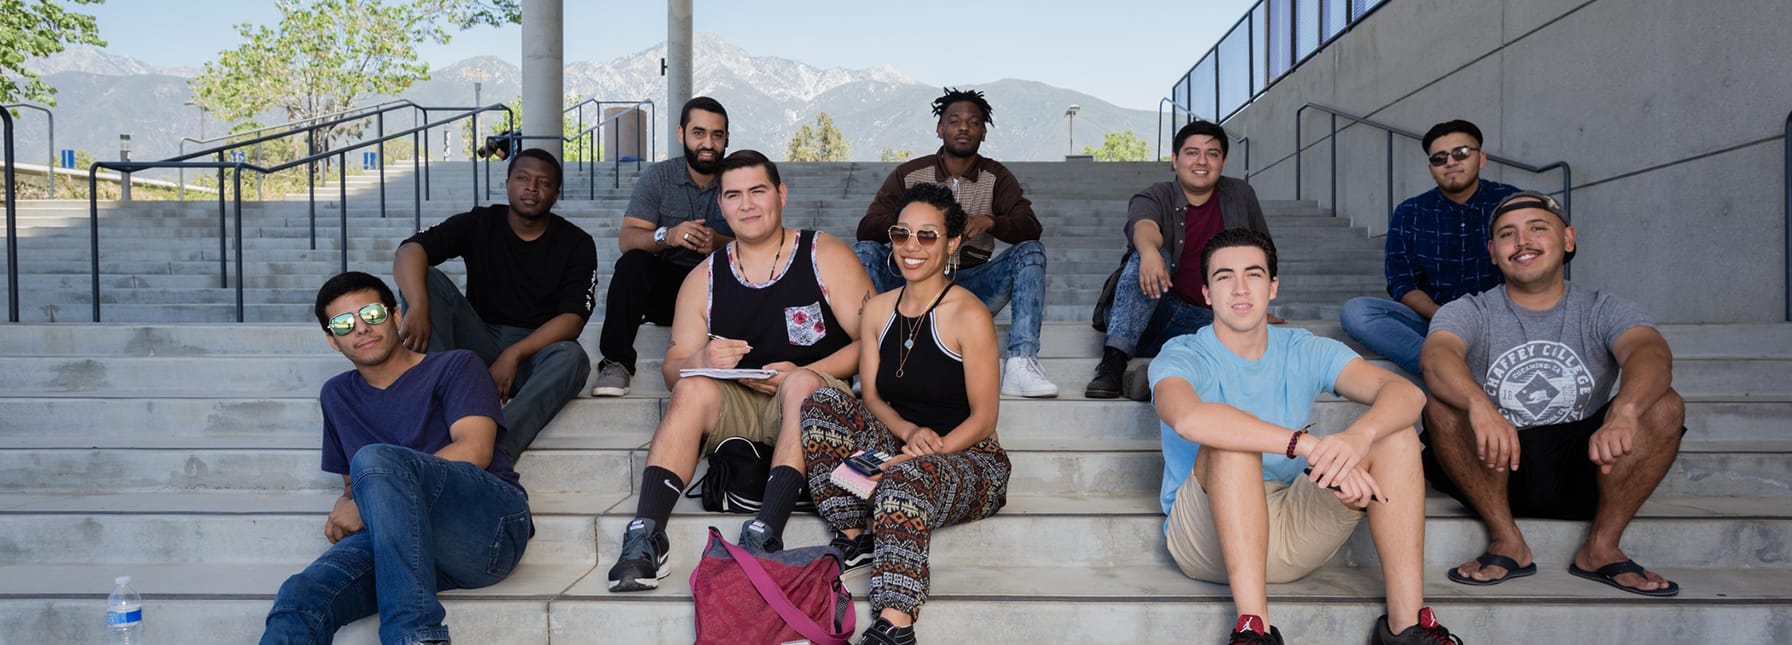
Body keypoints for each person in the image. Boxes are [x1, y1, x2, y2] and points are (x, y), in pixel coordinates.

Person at [1150, 229, 1464, 644]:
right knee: (1232, 439)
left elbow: (1406, 393)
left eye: (1254, 274)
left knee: (1396, 434)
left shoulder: (1302, 348)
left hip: (1290, 522)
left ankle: (1406, 627)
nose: (1240, 288)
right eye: (1225, 277)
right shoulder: (1184, 353)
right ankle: (1254, 630)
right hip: (1206, 538)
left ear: (1273, 286)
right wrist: (1306, 445)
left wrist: (1357, 439)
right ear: (1207, 293)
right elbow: (1189, 419)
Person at [605, 150, 874, 592]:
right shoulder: (704, 278)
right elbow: (674, 370)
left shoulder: (823, 253)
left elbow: (873, 341)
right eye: (733, 195)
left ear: (780, 194)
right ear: (721, 206)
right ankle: (646, 535)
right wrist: (702, 361)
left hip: (817, 399)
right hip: (744, 403)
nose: (746, 204)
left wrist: (800, 372)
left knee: (802, 383)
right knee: (692, 389)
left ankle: (764, 532)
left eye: (757, 191)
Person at [1421, 191, 1684, 597]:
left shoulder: (1603, 308)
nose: (1522, 242)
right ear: (1493, 252)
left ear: (1568, 239)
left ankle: (1602, 546)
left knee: (1664, 404)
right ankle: (1507, 539)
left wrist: (1626, 410)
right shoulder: (1469, 310)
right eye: (1507, 235)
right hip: (1492, 464)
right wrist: (1479, 405)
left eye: (1537, 229)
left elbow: (1649, 353)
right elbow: (1438, 356)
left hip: (1589, 464)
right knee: (1441, 402)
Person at [261, 272, 531, 644]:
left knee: (376, 460)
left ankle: (415, 636)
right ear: (332, 341)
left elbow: (475, 450)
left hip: (486, 529)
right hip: (401, 544)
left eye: (371, 314)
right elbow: (352, 486)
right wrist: (355, 496)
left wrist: (373, 486)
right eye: (344, 323)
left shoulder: (455, 366)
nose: (361, 329)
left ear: (396, 316)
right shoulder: (336, 395)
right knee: (300, 596)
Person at [799, 183, 1009, 645]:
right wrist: (909, 432)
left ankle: (896, 625)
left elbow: (984, 418)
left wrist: (923, 453)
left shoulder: (969, 315)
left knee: (902, 482)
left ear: (952, 242)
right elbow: (871, 397)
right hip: (901, 444)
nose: (911, 247)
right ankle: (855, 535)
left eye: (927, 236)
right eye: (902, 234)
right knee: (821, 402)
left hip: (969, 457)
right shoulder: (876, 310)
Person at [852, 87, 1058, 399]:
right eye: (954, 121)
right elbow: (867, 228)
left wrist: (992, 222)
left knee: (1030, 251)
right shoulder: (909, 174)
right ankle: (867, 359)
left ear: (983, 132)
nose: (963, 127)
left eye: (973, 122)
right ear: (940, 128)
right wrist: (916, 227)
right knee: (865, 252)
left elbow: (1031, 228)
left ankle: (1021, 362)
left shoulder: (997, 177)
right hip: (908, 287)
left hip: (971, 286)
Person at [392, 148, 596, 459]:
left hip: (533, 352)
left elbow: (573, 318)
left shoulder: (576, 243)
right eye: (523, 178)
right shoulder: (481, 222)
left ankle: (494, 448)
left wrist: (514, 354)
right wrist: (418, 305)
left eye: (543, 182)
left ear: (556, 194)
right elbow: (410, 250)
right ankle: (438, 403)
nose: (531, 188)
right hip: (477, 340)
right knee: (428, 280)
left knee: (573, 357)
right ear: (507, 183)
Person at [1087, 120, 1273, 400]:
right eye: (1191, 153)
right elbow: (1144, 226)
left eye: (1212, 154)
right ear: (1175, 159)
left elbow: (1262, 252)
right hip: (1151, 312)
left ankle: (1152, 378)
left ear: (1223, 161)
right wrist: (1149, 252)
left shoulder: (1240, 195)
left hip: (1203, 319)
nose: (1202, 161)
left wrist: (1253, 305)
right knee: (1148, 256)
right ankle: (1113, 363)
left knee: (1244, 342)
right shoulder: (1154, 195)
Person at [1341, 119, 1519, 376]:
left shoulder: (1511, 203)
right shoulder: (1410, 212)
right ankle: (1450, 374)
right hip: (1434, 322)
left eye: (1462, 153)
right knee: (1357, 313)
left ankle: (1447, 376)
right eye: (1439, 158)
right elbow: (1402, 283)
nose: (1451, 162)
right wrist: (1447, 319)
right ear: (1431, 168)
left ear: (1481, 158)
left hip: (1503, 322)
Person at [591, 97, 735, 397]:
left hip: (719, 293)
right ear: (681, 134)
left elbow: (767, 242)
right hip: (667, 292)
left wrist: (718, 243)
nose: (707, 143)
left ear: (726, 140)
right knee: (632, 263)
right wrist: (667, 236)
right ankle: (616, 361)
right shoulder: (658, 177)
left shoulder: (738, 178)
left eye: (716, 135)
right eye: (699, 133)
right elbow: (627, 239)